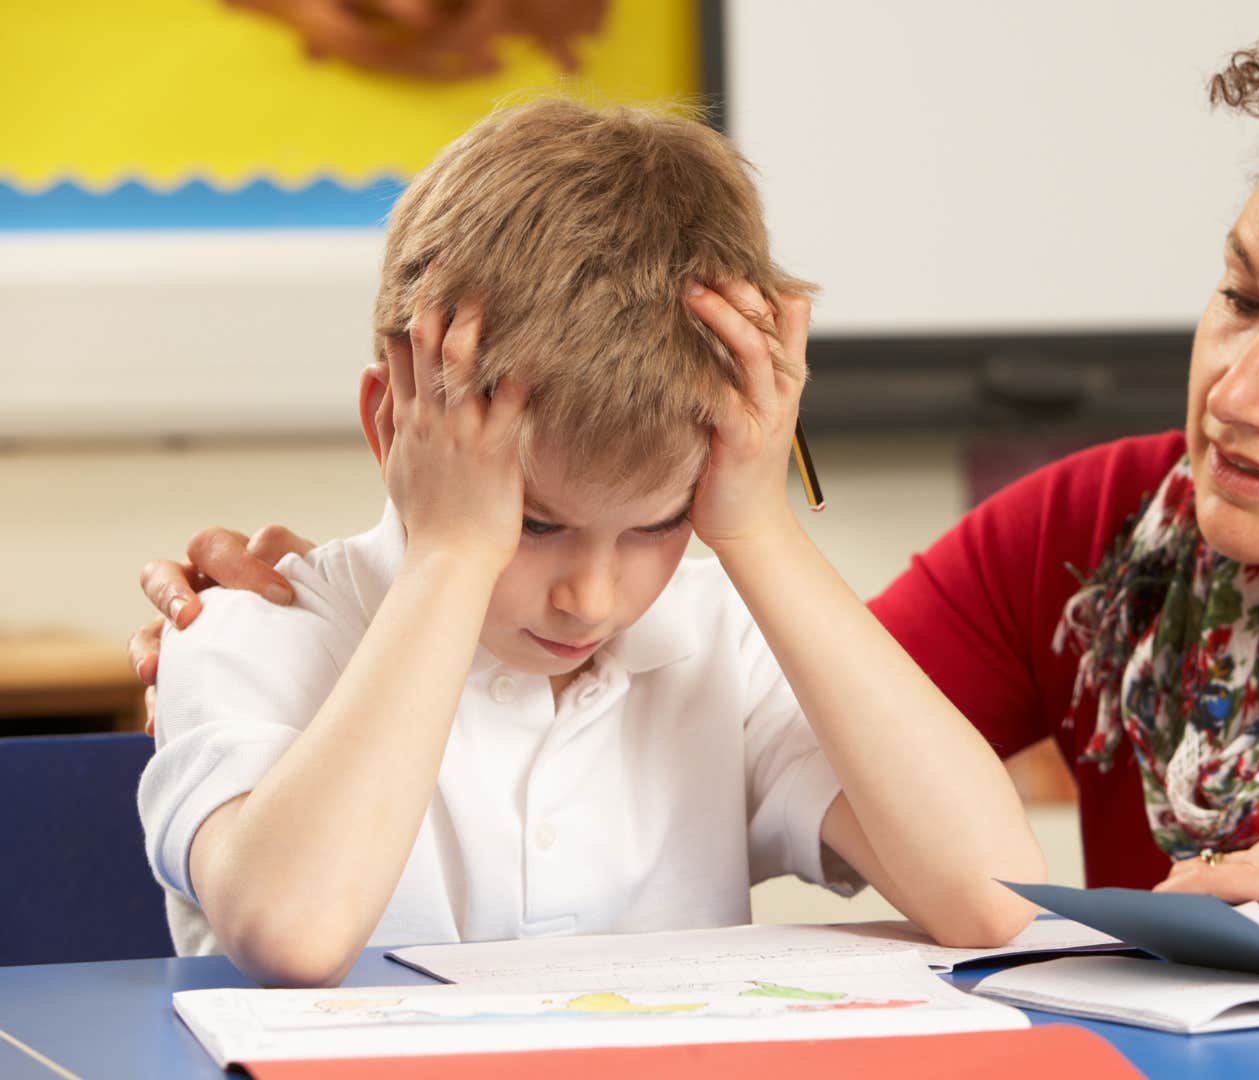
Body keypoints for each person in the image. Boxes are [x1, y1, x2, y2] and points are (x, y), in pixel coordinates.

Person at [133, 21, 1259, 946]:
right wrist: (436, 573)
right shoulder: (1101, 538)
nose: (1237, 388)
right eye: (1236, 301)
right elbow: (831, 724)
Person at [132, 99, 1041, 988]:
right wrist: (453, 554)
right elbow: (294, 934)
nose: (591, 598)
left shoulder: (721, 644)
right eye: (533, 524)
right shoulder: (244, 630)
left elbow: (998, 902)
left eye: (656, 525)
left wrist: (759, 528)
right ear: (394, 425)